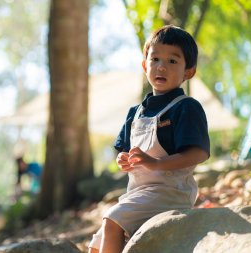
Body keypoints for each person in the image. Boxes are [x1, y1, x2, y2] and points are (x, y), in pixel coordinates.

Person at [88, 25, 210, 253]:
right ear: (145, 66)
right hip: (137, 193)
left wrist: (157, 164)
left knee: (112, 221)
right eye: (155, 59)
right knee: (96, 244)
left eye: (172, 61)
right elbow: (123, 153)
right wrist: (123, 161)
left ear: (188, 72)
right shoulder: (135, 113)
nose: (161, 66)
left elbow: (199, 153)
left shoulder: (186, 107)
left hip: (170, 193)